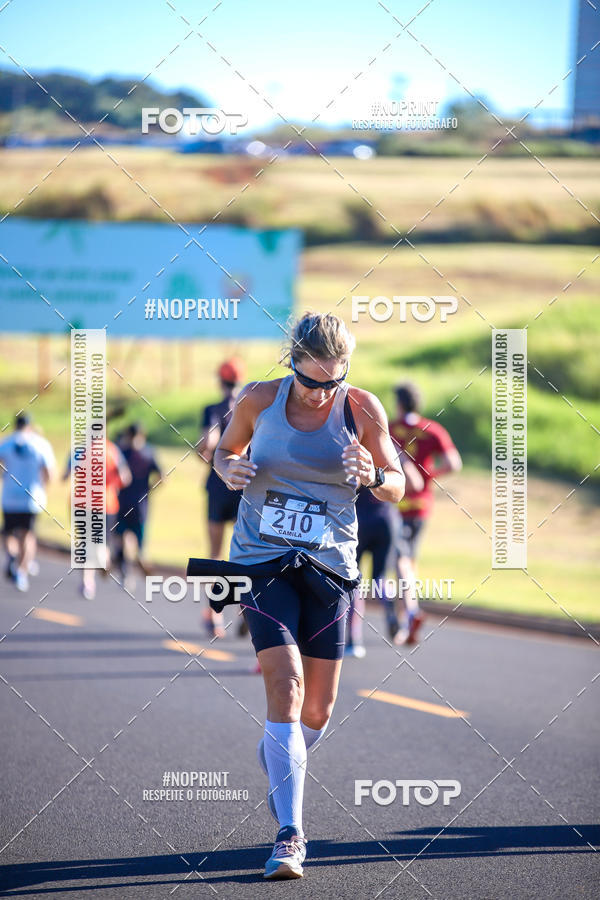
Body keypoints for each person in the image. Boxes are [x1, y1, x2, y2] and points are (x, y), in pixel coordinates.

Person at [211, 312, 405, 879]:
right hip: (261, 561)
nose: (320, 393)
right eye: (309, 379)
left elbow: (399, 485)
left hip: (328, 568)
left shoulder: (362, 408)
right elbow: (222, 452)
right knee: (287, 687)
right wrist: (230, 469)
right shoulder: (258, 400)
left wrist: (371, 474)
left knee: (316, 711)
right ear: (289, 361)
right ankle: (290, 837)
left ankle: (279, 754)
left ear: (346, 370)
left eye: (332, 381)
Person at [389, 382, 462, 645]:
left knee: (400, 562)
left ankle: (409, 613)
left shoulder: (389, 428)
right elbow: (454, 463)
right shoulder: (431, 429)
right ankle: (404, 623)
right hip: (421, 506)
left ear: (398, 403)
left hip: (395, 506)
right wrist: (430, 475)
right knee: (407, 561)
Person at [347, 452, 424, 655]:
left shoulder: (352, 442)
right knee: (379, 577)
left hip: (359, 519)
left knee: (352, 579)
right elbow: (416, 483)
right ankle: (391, 612)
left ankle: (353, 640)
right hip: (388, 519)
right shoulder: (391, 448)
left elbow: (349, 483)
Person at [197, 358, 245, 638]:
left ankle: (214, 616)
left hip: (217, 485)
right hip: (243, 487)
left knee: (215, 553)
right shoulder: (249, 406)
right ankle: (245, 611)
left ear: (221, 381)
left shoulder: (213, 409)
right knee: (243, 553)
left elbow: (209, 442)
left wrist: (204, 453)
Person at [63, 438, 131, 600]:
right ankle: (104, 564)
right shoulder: (112, 450)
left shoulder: (79, 449)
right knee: (101, 544)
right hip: (105, 504)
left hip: (82, 503)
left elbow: (66, 474)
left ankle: (88, 582)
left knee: (86, 543)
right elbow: (125, 478)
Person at [0, 414, 55, 592]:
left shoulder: (6, 443)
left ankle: (12, 555)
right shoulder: (40, 444)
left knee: (8, 533)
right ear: (30, 426)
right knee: (27, 535)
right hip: (31, 498)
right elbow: (49, 473)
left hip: (10, 497)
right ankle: (21, 571)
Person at [114, 423, 162, 593]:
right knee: (139, 540)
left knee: (123, 539)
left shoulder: (121, 452)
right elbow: (162, 477)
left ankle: (126, 573)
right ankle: (141, 558)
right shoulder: (148, 452)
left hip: (122, 502)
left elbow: (117, 476)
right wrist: (150, 488)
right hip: (141, 503)